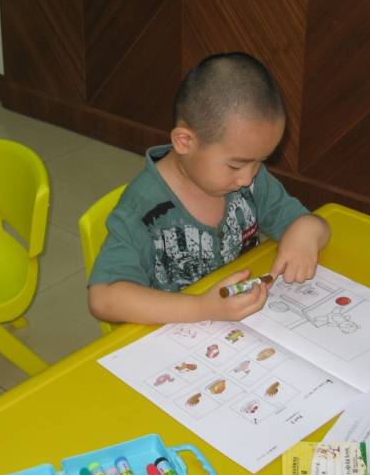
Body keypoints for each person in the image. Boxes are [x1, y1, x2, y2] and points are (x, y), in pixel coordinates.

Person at [87, 52, 330, 325]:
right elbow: (103, 298)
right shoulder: (143, 208)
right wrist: (202, 309)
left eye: (259, 162)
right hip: (176, 338)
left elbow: (313, 223)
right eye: (236, 166)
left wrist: (305, 232)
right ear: (184, 141)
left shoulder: (250, 180)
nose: (249, 178)